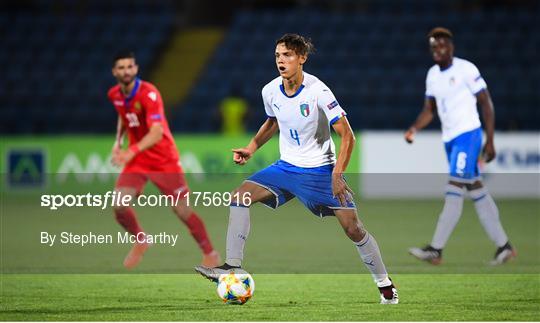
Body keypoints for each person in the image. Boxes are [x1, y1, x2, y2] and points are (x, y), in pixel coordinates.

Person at [195, 34, 398, 304]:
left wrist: (337, 175)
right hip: (285, 168)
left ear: (302, 58)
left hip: (320, 172)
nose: (281, 60)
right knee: (239, 196)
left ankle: (384, 284)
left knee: (354, 229)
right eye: (278, 55)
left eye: (288, 55)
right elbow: (272, 121)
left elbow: (348, 136)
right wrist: (251, 147)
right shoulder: (270, 90)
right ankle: (233, 265)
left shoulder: (319, 91)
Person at [405, 27, 516, 266]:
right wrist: (414, 128)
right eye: (434, 46)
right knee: (475, 188)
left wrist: (490, 139)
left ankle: (436, 249)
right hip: (450, 140)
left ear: (451, 47)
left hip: (469, 135)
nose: (438, 50)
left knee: (454, 187)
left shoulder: (466, 69)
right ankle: (504, 246)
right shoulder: (433, 75)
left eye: (442, 45)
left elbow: (486, 103)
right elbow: (430, 110)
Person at [108, 50, 221, 269]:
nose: (126, 71)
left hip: (163, 160)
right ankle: (141, 240)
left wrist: (130, 151)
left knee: (181, 210)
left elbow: (157, 132)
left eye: (130, 66)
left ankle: (210, 252)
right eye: (121, 67)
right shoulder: (114, 94)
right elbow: (124, 119)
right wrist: (117, 143)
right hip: (139, 160)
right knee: (119, 204)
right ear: (114, 71)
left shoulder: (149, 94)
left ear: (136, 68)